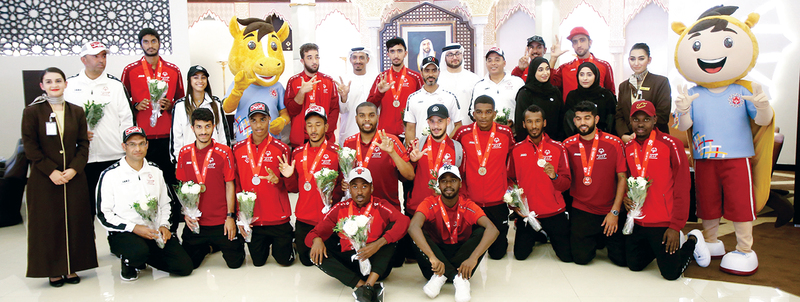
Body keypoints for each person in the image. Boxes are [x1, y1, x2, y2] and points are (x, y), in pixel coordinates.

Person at [22, 67, 98, 286]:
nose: (54, 85)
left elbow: (83, 144)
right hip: (45, 179)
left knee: (76, 221)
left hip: (73, 176)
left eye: (58, 80)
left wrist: (74, 169)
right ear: (42, 86)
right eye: (49, 81)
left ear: (66, 84)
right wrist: (51, 171)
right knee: (49, 224)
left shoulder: (76, 111)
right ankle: (53, 269)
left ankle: (72, 267)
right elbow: (30, 147)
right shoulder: (32, 112)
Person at [623, 100, 711, 280]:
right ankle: (658, 249)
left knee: (671, 274)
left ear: (655, 120)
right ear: (630, 121)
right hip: (639, 221)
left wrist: (675, 225)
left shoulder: (672, 144)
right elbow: (627, 180)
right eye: (636, 119)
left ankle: (692, 240)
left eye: (646, 119)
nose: (640, 124)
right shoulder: (628, 147)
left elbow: (683, 186)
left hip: (664, 222)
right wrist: (626, 197)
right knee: (634, 265)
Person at [97, 126, 193, 281]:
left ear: (147, 145)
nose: (138, 149)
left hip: (153, 231)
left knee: (184, 267)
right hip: (126, 233)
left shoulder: (155, 171)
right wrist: (134, 228)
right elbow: (104, 214)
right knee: (138, 252)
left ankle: (145, 256)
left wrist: (163, 225)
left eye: (142, 143)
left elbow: (166, 203)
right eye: (132, 144)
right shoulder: (110, 175)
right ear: (124, 147)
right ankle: (130, 261)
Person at [307, 167, 410, 302]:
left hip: (376, 265)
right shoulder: (340, 207)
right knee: (314, 253)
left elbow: (404, 221)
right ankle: (365, 287)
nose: (360, 191)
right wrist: (317, 240)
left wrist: (378, 244)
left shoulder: (380, 205)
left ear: (371, 188)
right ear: (349, 189)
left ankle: (370, 283)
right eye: (355, 186)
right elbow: (311, 235)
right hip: (351, 264)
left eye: (364, 186)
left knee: (392, 233)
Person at [121, 28, 185, 230]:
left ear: (159, 43)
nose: (150, 45)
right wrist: (134, 105)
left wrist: (171, 104)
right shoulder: (130, 70)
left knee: (170, 178)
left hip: (167, 135)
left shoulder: (173, 70)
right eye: (146, 42)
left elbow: (182, 100)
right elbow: (122, 101)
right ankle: (146, 220)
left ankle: (173, 221)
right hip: (142, 139)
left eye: (154, 41)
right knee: (147, 180)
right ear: (141, 44)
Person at [408, 165, 499, 302]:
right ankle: (458, 280)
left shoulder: (467, 204)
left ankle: (444, 277)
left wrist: (473, 258)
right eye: (444, 181)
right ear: (438, 184)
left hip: (463, 263)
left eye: (453, 180)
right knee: (417, 232)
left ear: (460, 183)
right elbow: (412, 227)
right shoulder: (429, 203)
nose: (448, 184)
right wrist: (432, 257)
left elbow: (493, 230)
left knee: (482, 232)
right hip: (435, 264)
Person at [64, 41, 134, 217]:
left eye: (104, 55)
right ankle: (87, 245)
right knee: (84, 212)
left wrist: (126, 147)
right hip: (81, 159)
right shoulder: (69, 86)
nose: (101, 60)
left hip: (112, 155)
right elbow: (61, 120)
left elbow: (126, 119)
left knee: (117, 209)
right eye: (96, 56)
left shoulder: (115, 85)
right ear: (83, 59)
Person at [176, 108, 244, 269]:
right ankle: (208, 247)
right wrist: (187, 214)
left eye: (207, 126)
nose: (203, 132)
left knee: (235, 263)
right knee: (188, 264)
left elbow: (230, 185)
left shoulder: (224, 152)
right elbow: (182, 187)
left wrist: (230, 217)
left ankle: (220, 243)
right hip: (197, 222)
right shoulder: (184, 153)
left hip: (221, 221)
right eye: (199, 127)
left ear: (214, 126)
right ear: (192, 128)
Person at [562, 101, 627, 266]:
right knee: (581, 259)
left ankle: (601, 238)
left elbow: (622, 178)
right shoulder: (567, 145)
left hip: (609, 210)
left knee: (621, 260)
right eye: (578, 118)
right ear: (574, 121)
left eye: (587, 118)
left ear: (596, 119)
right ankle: (597, 238)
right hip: (583, 209)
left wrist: (615, 212)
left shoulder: (614, 143)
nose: (583, 122)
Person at [278, 105, 344, 266]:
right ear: (305, 128)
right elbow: (294, 188)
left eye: (318, 124)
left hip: (329, 218)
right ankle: (297, 241)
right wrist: (287, 177)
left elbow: (342, 188)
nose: (313, 129)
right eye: (309, 125)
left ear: (326, 127)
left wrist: (337, 194)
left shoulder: (337, 153)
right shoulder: (297, 153)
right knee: (307, 261)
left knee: (330, 258)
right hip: (304, 218)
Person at [232, 102, 295, 267]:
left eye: (263, 119)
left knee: (285, 261)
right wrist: (240, 216)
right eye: (254, 120)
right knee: (258, 262)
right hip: (253, 218)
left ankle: (290, 241)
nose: (259, 125)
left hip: (277, 218)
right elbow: (237, 185)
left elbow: (291, 186)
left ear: (269, 119)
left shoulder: (281, 148)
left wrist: (279, 180)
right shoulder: (237, 149)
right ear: (249, 122)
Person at [507, 105, 572, 262]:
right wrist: (513, 204)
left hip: (554, 211)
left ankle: (545, 232)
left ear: (544, 123)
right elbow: (510, 181)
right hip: (528, 213)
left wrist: (554, 176)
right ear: (523, 124)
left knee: (568, 257)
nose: (534, 126)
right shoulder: (516, 149)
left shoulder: (558, 148)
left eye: (537, 121)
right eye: (529, 121)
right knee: (520, 256)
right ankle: (540, 233)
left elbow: (566, 183)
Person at [452, 95, 514, 260]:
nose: (484, 116)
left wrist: (511, 189)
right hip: (471, 201)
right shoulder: (462, 133)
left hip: (497, 201)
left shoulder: (505, 133)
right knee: (468, 250)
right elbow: (453, 155)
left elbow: (511, 160)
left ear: (494, 113)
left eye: (488, 112)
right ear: (473, 114)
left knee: (497, 254)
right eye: (479, 112)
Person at [343, 102, 414, 211]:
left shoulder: (391, 140)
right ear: (356, 118)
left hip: (388, 210)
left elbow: (410, 175)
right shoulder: (349, 143)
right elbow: (345, 175)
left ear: (377, 117)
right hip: (358, 212)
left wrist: (392, 153)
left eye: (371, 115)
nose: (367, 119)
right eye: (362, 116)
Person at [406, 104, 464, 217]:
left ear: (448, 121)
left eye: (440, 121)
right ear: (427, 122)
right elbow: (405, 177)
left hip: (446, 210)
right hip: (417, 208)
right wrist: (413, 161)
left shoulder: (457, 149)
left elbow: (462, 181)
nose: (435, 126)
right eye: (432, 121)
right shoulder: (417, 145)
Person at [367, 37, 424, 140]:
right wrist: (380, 93)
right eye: (392, 51)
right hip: (385, 133)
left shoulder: (415, 77)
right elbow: (370, 106)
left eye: (399, 51)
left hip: (410, 132)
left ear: (405, 53)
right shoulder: (381, 78)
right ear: (388, 54)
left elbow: (423, 103)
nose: (396, 55)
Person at [285, 43, 340, 148]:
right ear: (302, 61)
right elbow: (291, 111)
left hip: (325, 139)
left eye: (316, 57)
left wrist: (325, 132)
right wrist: (301, 92)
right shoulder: (293, 81)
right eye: (309, 58)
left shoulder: (328, 81)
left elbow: (334, 110)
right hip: (300, 140)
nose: (314, 61)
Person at [172, 65, 230, 163]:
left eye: (203, 77)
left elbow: (222, 132)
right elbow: (177, 136)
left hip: (214, 159)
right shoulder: (180, 105)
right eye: (195, 77)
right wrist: (178, 161)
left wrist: (224, 156)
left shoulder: (215, 103)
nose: (200, 81)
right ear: (189, 81)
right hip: (190, 159)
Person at [616, 43, 672, 142]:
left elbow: (662, 115)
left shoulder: (660, 82)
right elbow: (619, 115)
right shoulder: (624, 86)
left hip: (655, 138)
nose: (636, 63)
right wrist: (624, 135)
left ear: (649, 60)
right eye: (632, 59)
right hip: (630, 139)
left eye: (641, 59)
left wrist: (640, 131)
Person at [404, 56, 462, 142]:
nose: (430, 75)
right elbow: (410, 128)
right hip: (421, 151)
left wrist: (447, 142)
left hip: (444, 151)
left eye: (434, 70)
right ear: (421, 72)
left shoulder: (450, 97)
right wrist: (412, 150)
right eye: (427, 71)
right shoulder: (413, 98)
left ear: (439, 72)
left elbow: (458, 125)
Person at [550, 27, 615, 100]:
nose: (579, 45)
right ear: (572, 45)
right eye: (575, 42)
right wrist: (553, 58)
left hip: (597, 110)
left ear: (590, 42)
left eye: (582, 40)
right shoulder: (564, 68)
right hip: (571, 110)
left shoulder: (604, 66)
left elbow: (611, 94)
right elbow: (549, 85)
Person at [469, 47, 524, 127]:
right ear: (486, 64)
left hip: (513, 132)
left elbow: (524, 108)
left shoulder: (517, 82)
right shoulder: (479, 86)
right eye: (489, 60)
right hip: (487, 133)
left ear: (504, 63)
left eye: (497, 60)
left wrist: (513, 121)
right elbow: (472, 111)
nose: (493, 63)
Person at [513, 56, 564, 142]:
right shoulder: (525, 93)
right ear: (533, 71)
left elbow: (561, 117)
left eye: (547, 69)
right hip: (531, 143)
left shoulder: (555, 92)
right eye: (540, 70)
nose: (545, 73)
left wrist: (560, 140)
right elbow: (520, 123)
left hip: (554, 143)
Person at [336, 47, 378, 144]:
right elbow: (342, 110)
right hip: (350, 131)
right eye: (354, 57)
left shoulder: (376, 80)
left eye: (361, 57)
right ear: (350, 60)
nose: (358, 61)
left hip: (372, 132)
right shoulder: (343, 81)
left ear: (368, 60)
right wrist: (344, 97)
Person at [564, 62, 617, 137]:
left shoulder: (606, 95)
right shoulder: (572, 96)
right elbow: (568, 123)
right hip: (577, 139)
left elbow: (611, 122)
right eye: (581, 74)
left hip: (603, 139)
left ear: (596, 76)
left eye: (589, 75)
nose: (585, 78)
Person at [437, 43, 480, 126]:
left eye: (457, 54)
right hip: (443, 128)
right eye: (450, 55)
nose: (454, 57)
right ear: (444, 58)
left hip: (468, 126)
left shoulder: (474, 78)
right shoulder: (438, 79)